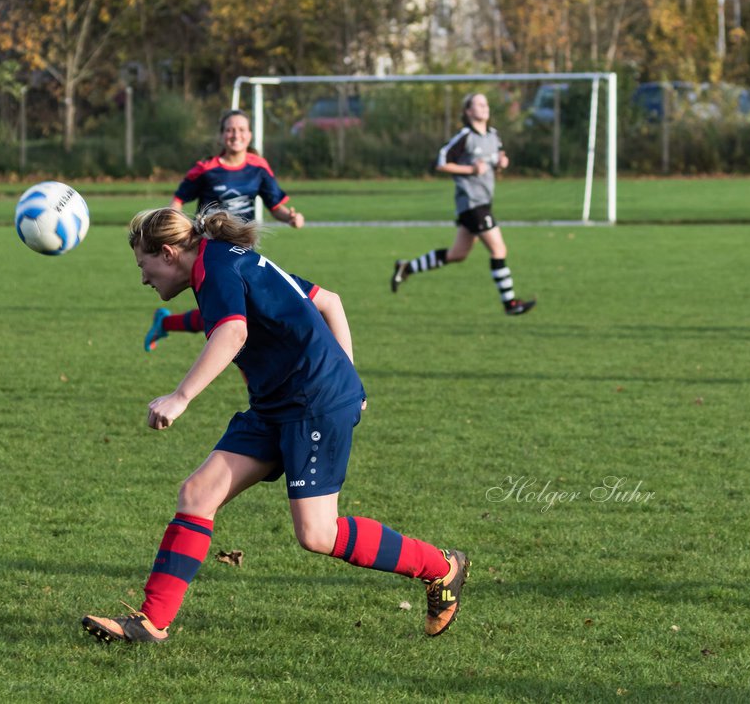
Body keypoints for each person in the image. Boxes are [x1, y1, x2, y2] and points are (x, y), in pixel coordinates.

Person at [82, 207, 469, 644]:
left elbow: (232, 334)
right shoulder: (223, 257)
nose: (143, 278)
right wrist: (348, 372)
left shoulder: (217, 268)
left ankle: (443, 567)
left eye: (144, 266)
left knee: (318, 534)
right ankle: (151, 622)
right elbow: (329, 301)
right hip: (276, 403)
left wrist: (181, 397)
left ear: (169, 253)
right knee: (197, 494)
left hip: (313, 403)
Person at [144, 109, 304, 352]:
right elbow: (177, 202)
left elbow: (276, 206)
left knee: (232, 316)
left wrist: (290, 217)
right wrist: (171, 227)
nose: (235, 135)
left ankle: (166, 322)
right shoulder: (205, 169)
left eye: (240, 129)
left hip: (242, 251)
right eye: (229, 129)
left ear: (249, 135)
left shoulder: (258, 167)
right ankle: (256, 381)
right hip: (210, 251)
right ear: (221, 136)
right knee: (235, 319)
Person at [390, 93, 535, 315]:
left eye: (486, 103)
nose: (484, 107)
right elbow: (441, 162)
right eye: (478, 104)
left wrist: (501, 164)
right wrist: (470, 170)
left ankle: (406, 267)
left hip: (484, 201)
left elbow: (495, 161)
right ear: (468, 111)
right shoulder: (465, 137)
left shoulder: (493, 136)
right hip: (472, 203)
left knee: (458, 254)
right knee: (498, 249)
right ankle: (510, 304)